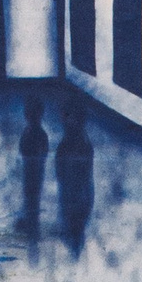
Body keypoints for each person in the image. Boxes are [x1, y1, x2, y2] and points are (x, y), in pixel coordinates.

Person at [56, 102, 95, 255]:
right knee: (73, 214)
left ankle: (75, 245)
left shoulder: (77, 142)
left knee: (75, 214)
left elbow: (84, 171)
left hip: (77, 190)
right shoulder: (71, 143)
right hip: (74, 190)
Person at [17, 92, 49, 241]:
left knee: (31, 198)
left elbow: (22, 149)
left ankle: (32, 228)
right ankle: (32, 225)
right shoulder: (41, 133)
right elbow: (44, 151)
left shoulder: (29, 132)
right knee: (32, 199)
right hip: (36, 170)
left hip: (31, 171)